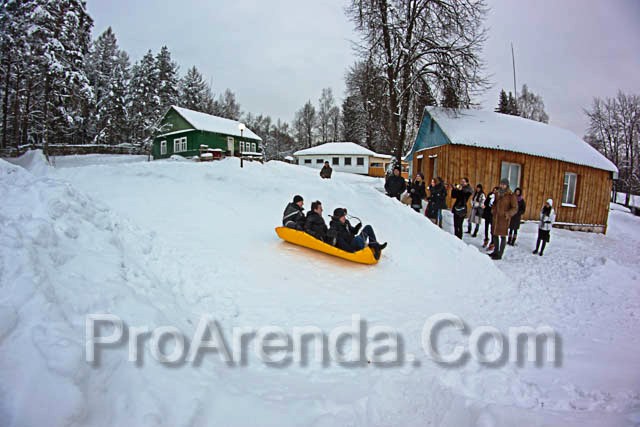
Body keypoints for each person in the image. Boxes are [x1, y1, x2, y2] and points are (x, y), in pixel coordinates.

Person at [489, 178, 518, 260]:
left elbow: (515, 208)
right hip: (496, 217)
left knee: (502, 236)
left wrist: (508, 214)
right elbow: (495, 203)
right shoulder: (497, 193)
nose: (502, 186)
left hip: (504, 219)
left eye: (503, 184)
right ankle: (495, 251)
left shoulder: (511, 195)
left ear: (507, 185)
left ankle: (500, 254)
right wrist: (493, 209)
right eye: (501, 184)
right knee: (494, 234)